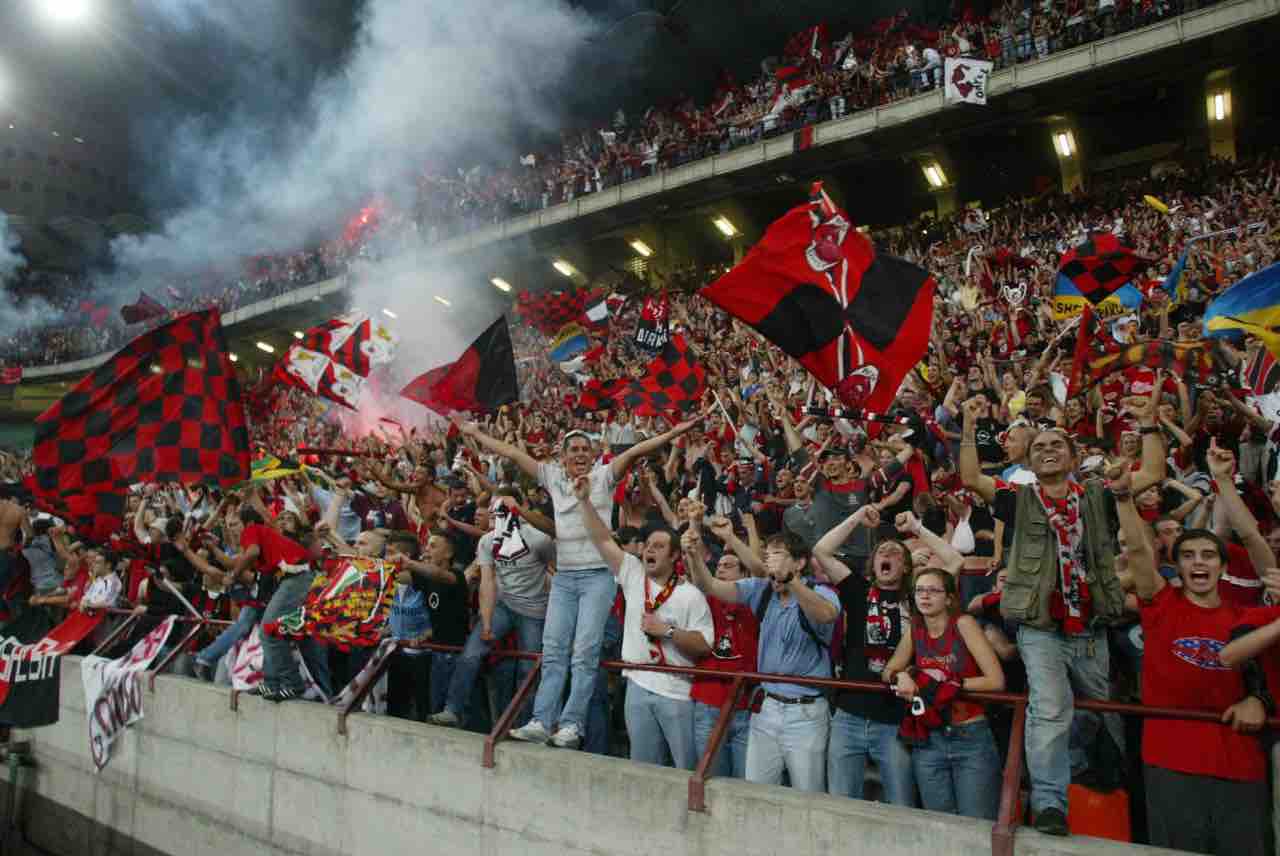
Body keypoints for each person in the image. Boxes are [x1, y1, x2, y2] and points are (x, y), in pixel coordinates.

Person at [959, 389, 1165, 835]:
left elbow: (1152, 471)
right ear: (1029, 463)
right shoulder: (1019, 498)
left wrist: (1148, 423)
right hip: (1040, 627)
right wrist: (970, 426)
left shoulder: (1098, 496)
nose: (1048, 451)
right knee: (1050, 709)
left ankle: (1108, 784)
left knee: (1102, 710)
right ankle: (1051, 803)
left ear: (1073, 457)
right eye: (1039, 448)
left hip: (1090, 624)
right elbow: (972, 476)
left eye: (1057, 445)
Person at [458, 412, 704, 750]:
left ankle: (572, 724)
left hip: (598, 578)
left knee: (584, 653)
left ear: (593, 454)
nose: (578, 454)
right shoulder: (552, 477)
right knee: (554, 650)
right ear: (562, 456)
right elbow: (512, 454)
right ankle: (542, 721)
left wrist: (674, 432)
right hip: (564, 579)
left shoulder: (604, 476)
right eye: (572, 449)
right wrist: (475, 433)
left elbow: (634, 452)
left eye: (584, 449)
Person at [1121, 450, 1269, 856]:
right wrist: (1121, 499)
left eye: (1208, 555)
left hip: (1239, 763)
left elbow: (1269, 676)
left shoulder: (1248, 618)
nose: (1198, 562)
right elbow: (1137, 551)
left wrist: (1259, 698)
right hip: (1172, 760)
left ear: (1223, 567)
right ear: (1176, 565)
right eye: (1188, 555)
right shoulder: (1161, 605)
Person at [684, 523, 839, 792]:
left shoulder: (822, 593)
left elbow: (826, 615)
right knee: (755, 791)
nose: (769, 559)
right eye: (768, 554)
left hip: (806, 712)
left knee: (808, 794)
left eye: (778, 554)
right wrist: (694, 555)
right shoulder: (761, 590)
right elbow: (708, 585)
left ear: (800, 562)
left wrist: (790, 580)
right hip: (766, 708)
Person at [575, 475, 713, 769]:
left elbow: (703, 645)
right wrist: (584, 501)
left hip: (677, 689)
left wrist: (669, 632)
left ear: (675, 555)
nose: (650, 550)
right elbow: (601, 538)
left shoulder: (691, 595)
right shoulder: (633, 574)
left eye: (659, 546)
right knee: (642, 768)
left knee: (685, 768)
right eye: (648, 545)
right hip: (637, 682)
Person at [883, 566, 1005, 819]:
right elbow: (889, 669)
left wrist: (947, 684)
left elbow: (996, 681)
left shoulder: (964, 623)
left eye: (933, 590)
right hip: (929, 737)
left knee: (976, 824)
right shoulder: (915, 628)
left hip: (970, 737)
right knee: (938, 825)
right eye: (919, 591)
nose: (924, 596)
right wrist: (901, 675)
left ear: (949, 597)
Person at [431, 489, 552, 728]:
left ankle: (524, 724)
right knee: (471, 652)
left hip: (535, 611)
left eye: (504, 511)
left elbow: (557, 569)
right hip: (504, 606)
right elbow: (487, 582)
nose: (498, 518)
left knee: (528, 669)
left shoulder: (538, 539)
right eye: (495, 513)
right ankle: (452, 709)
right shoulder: (487, 541)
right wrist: (485, 622)